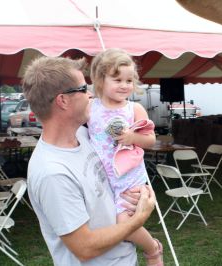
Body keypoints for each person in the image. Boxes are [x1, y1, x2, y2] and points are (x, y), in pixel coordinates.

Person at [23, 56, 155, 265]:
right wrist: (139, 218)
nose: (91, 94)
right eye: (83, 89)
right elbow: (85, 248)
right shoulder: (52, 173)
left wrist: (139, 191)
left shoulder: (83, 137)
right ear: (63, 101)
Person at [88, 48, 162, 266]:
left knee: (124, 223)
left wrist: (132, 137)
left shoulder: (134, 108)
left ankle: (153, 250)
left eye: (129, 80)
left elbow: (150, 140)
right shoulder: (91, 107)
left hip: (128, 178)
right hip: (102, 179)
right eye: (117, 79)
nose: (124, 85)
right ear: (101, 80)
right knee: (106, 222)